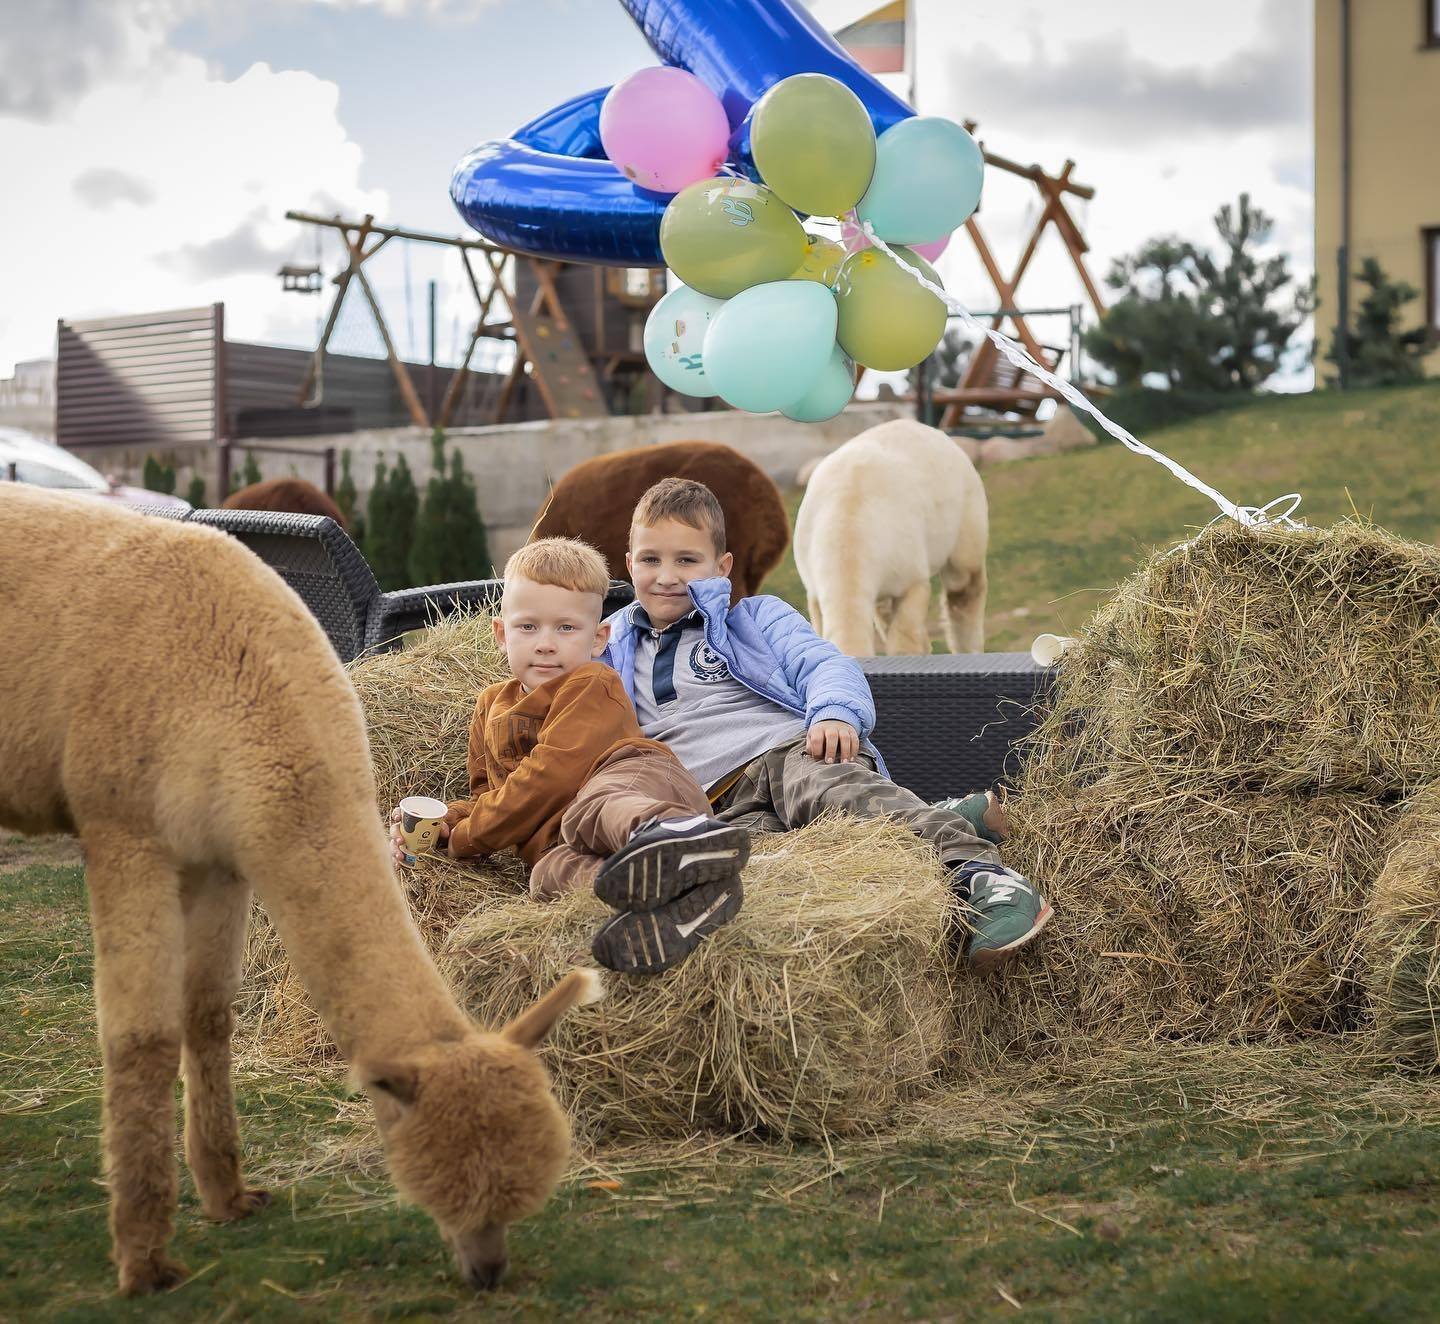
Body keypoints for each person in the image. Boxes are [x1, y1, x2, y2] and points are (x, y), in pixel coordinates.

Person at [601, 478, 1052, 971]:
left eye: (686, 561)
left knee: (835, 796)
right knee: (784, 872)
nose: (666, 576)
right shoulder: (609, 646)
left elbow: (824, 665)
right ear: (628, 563)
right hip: (715, 799)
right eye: (650, 560)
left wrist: (834, 712)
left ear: (722, 567)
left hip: (789, 753)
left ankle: (981, 876)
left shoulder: (753, 618)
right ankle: (939, 813)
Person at [388, 537, 748, 975]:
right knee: (546, 873)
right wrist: (446, 821)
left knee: (588, 811)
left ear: (598, 639)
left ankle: (674, 836)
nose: (545, 644)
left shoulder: (590, 685)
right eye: (528, 627)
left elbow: (550, 777)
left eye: (565, 628)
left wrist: (468, 838)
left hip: (631, 781)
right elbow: (492, 796)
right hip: (567, 834)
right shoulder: (490, 706)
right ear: (501, 634)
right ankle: (665, 903)